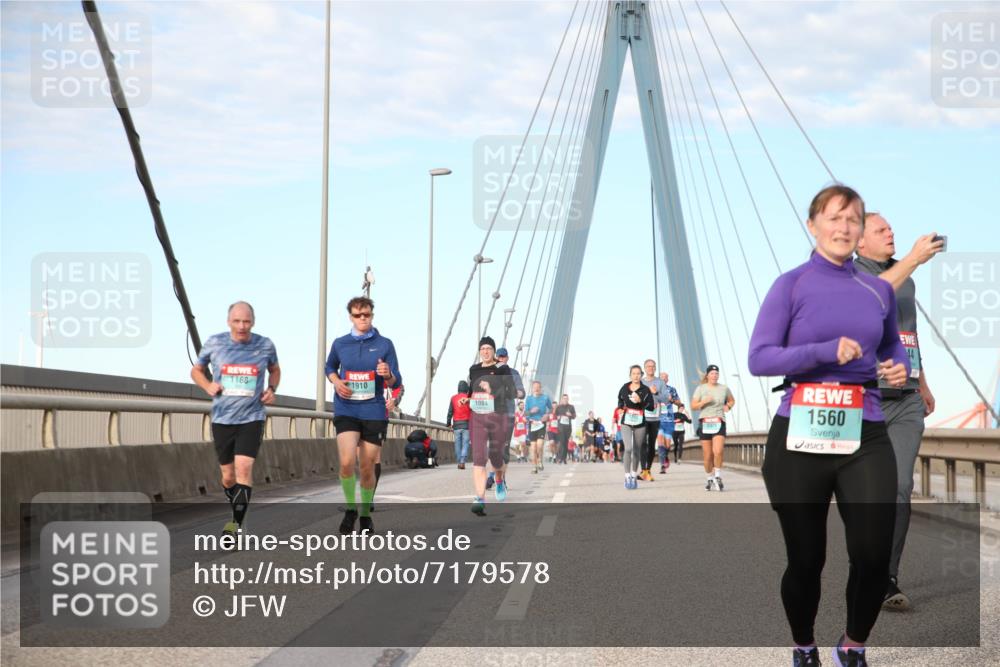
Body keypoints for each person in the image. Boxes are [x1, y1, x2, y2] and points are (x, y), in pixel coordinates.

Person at [748, 184, 909, 667]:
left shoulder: (879, 290)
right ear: (812, 225)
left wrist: (897, 368)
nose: (843, 227)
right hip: (800, 434)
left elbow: (891, 349)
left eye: (852, 220)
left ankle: (853, 646)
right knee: (806, 560)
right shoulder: (791, 285)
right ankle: (803, 645)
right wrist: (824, 351)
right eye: (834, 218)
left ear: (860, 232)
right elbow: (759, 358)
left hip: (865, 432)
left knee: (874, 555)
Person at [856, 212, 942, 611]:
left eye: (891, 227)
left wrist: (922, 382)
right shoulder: (849, 275)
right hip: (865, 400)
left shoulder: (906, 277)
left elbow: (911, 331)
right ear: (858, 242)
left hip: (906, 400)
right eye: (881, 230)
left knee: (900, 488)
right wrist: (912, 258)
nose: (891, 232)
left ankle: (886, 578)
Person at [191, 301, 279, 542]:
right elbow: (196, 370)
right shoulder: (215, 343)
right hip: (222, 418)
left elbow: (275, 370)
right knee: (228, 476)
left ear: (253, 322)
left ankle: (236, 525)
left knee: (243, 469)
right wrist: (207, 384)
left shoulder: (265, 345)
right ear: (229, 321)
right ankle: (237, 511)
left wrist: (272, 389)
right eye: (237, 321)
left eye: (247, 321)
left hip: (252, 416)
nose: (242, 326)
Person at [326, 296, 401, 535]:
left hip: (373, 410)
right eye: (358, 315)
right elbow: (329, 367)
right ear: (351, 317)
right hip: (346, 408)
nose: (362, 319)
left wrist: (387, 373)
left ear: (372, 316)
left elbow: (396, 379)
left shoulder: (385, 344)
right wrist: (337, 381)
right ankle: (350, 509)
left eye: (366, 315)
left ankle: (366, 515)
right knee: (347, 462)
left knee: (367, 466)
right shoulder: (340, 343)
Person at [465, 336, 517, 515]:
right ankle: (480, 498)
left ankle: (499, 479)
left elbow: (512, 393)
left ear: (494, 351)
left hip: (498, 416)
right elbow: (472, 390)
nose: (485, 351)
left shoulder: (502, 368)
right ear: (479, 351)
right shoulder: (474, 369)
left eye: (489, 348)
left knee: (496, 456)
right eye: (483, 348)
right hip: (478, 416)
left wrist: (492, 390)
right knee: (479, 457)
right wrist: (467, 398)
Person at [486, 348, 525, 489]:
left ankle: (500, 479)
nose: (501, 359)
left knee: (504, 450)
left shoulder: (513, 373)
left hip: (508, 414)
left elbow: (521, 392)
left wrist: (517, 393)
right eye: (499, 357)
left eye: (504, 357)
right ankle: (492, 476)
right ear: (496, 358)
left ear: (507, 358)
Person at [691, 365, 735, 491]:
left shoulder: (724, 388)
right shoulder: (700, 389)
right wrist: (703, 402)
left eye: (716, 373)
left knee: (718, 451)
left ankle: (717, 476)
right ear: (707, 375)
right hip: (705, 423)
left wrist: (728, 406)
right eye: (712, 373)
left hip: (719, 421)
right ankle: (709, 478)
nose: (714, 375)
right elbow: (693, 406)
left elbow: (732, 400)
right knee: (707, 455)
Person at [617, 365, 655, 490]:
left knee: (637, 450)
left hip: (640, 423)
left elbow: (650, 407)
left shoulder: (645, 390)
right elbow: (620, 400)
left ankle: (634, 475)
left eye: (638, 373)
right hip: (626, 422)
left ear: (641, 375)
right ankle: (627, 476)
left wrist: (640, 401)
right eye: (634, 373)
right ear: (630, 375)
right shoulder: (624, 387)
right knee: (628, 448)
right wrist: (621, 407)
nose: (636, 376)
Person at [638, 359, 668, 481]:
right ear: (644, 369)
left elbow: (666, 399)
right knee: (642, 443)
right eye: (648, 366)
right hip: (642, 416)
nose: (650, 368)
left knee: (651, 445)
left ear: (655, 368)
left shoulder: (660, 382)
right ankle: (643, 470)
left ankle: (648, 470)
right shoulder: (639, 382)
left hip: (655, 418)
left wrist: (655, 394)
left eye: (653, 366)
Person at [656, 371, 682, 474]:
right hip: (657, 419)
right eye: (661, 377)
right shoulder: (654, 389)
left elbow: (679, 403)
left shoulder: (672, 389)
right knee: (660, 441)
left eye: (665, 378)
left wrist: (672, 400)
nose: (663, 379)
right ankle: (662, 465)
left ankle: (665, 455)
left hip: (669, 419)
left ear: (667, 380)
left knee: (667, 444)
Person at [524, 381, 553, 474]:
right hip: (532, 424)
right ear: (532, 388)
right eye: (535, 387)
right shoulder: (528, 399)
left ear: (541, 388)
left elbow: (551, 408)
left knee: (540, 445)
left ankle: (540, 460)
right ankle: (534, 466)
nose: (536, 389)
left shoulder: (545, 398)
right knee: (533, 447)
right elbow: (525, 413)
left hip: (541, 424)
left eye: (538, 387)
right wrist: (531, 412)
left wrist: (547, 415)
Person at [447, 380, 471, 469]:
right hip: (467, 424)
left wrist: (448, 423)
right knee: (465, 443)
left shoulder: (453, 398)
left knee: (457, 443)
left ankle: (459, 461)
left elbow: (450, 412)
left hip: (456, 425)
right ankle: (462, 461)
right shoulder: (468, 398)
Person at [553, 394, 577, 464]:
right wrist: (557, 417)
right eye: (564, 398)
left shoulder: (571, 407)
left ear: (568, 399)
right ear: (562, 399)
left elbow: (574, 416)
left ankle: (564, 458)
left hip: (568, 428)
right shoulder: (559, 407)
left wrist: (571, 415)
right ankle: (560, 458)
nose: (565, 400)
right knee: (562, 442)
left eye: (566, 398)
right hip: (560, 427)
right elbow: (554, 415)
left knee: (566, 442)